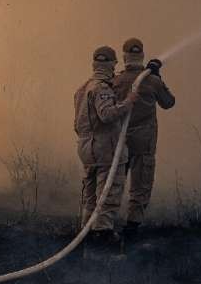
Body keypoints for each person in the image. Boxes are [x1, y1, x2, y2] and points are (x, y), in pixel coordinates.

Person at [74, 45, 139, 244]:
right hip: (106, 150)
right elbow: (107, 115)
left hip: (87, 149)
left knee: (91, 195)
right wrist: (128, 102)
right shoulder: (102, 88)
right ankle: (102, 237)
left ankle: (85, 235)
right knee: (108, 193)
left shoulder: (83, 88)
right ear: (111, 63)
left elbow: (77, 123)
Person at [113, 38, 175, 235]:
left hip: (118, 143)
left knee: (114, 183)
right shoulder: (152, 81)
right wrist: (157, 76)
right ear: (142, 56)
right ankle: (132, 228)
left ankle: (104, 225)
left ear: (124, 57)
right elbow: (169, 102)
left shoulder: (115, 81)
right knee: (141, 185)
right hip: (144, 142)